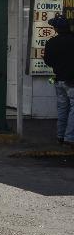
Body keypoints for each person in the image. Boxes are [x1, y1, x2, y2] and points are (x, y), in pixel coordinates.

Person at [43, 16, 74, 145]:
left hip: (58, 80)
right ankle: (70, 137)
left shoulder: (51, 42)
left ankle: (60, 136)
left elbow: (48, 62)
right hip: (72, 81)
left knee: (62, 109)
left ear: (57, 29)